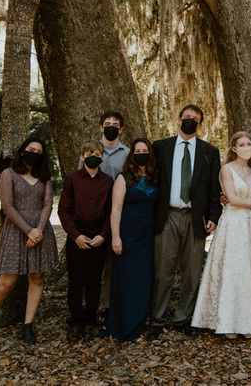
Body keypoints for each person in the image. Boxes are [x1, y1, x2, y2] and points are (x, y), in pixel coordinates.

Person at [192, 132, 251, 338]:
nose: (247, 147)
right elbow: (231, 198)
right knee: (231, 270)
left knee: (249, 271)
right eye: (242, 144)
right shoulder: (226, 169)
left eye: (249, 144)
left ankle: (249, 321)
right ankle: (226, 321)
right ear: (234, 148)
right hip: (232, 222)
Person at [146, 105, 223, 340]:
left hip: (195, 217)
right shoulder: (161, 147)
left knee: (191, 271)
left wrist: (213, 216)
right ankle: (157, 320)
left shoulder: (210, 151)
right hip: (167, 215)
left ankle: (183, 318)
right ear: (178, 120)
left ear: (200, 125)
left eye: (195, 119)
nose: (190, 121)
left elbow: (213, 186)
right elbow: (151, 179)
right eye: (186, 118)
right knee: (163, 270)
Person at [0, 137, 59, 349]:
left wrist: (38, 231)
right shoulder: (9, 174)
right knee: (6, 284)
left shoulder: (45, 176)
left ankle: (28, 325)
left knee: (37, 278)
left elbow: (48, 203)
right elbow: (8, 207)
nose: (35, 154)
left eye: (39, 152)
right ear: (23, 152)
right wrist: (28, 231)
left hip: (40, 231)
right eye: (31, 150)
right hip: (16, 232)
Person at [101, 138, 159, 341]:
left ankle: (138, 325)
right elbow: (115, 209)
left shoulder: (156, 177)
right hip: (127, 236)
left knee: (143, 282)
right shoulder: (123, 177)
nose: (141, 153)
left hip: (148, 237)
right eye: (137, 150)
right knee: (126, 281)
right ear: (131, 154)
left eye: (145, 150)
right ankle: (124, 328)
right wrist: (116, 237)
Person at [77, 111, 131, 322]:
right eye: (107, 124)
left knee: (110, 264)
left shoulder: (127, 154)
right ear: (100, 127)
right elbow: (80, 182)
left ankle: (106, 307)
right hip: (92, 216)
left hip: (118, 215)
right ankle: (86, 308)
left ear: (121, 129)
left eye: (115, 124)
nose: (110, 127)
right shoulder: (90, 150)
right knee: (89, 267)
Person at [58, 140, 113, 342]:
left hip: (98, 233)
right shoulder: (72, 180)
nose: (94, 157)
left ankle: (90, 322)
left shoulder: (107, 181)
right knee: (76, 281)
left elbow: (110, 212)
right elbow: (63, 210)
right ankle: (75, 322)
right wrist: (75, 236)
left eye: (98, 154)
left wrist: (104, 235)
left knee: (94, 281)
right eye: (90, 153)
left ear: (102, 157)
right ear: (82, 157)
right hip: (77, 232)